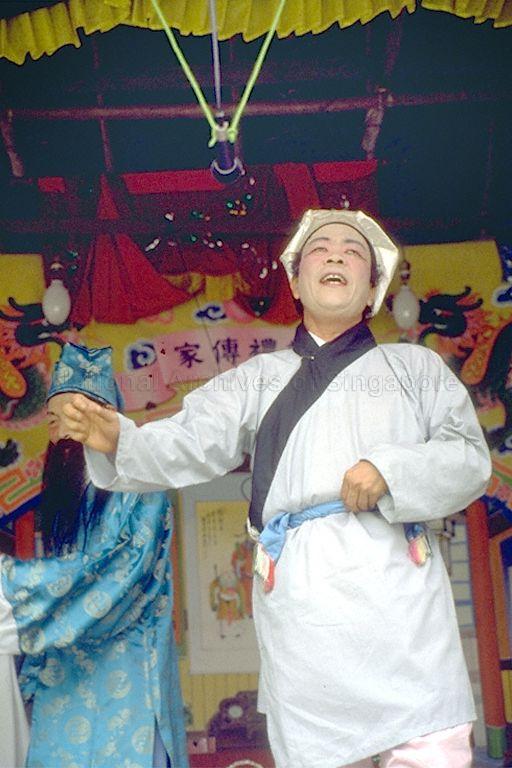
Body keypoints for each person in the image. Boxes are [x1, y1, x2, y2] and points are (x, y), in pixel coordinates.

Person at [61, 210, 492, 768]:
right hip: (304, 599)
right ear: (294, 281)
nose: (336, 255)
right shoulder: (257, 379)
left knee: (428, 745)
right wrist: (117, 438)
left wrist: (393, 471)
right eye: (321, 248)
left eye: (353, 251)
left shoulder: (416, 367)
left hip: (400, 591)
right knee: (319, 752)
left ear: (373, 290)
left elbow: (468, 458)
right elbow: (190, 438)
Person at [0, 343, 188, 768]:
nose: (61, 433)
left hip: (129, 686)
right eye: (53, 420)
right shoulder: (62, 501)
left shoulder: (142, 483)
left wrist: (13, 591)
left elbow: (117, 575)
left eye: (74, 417)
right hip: (63, 684)